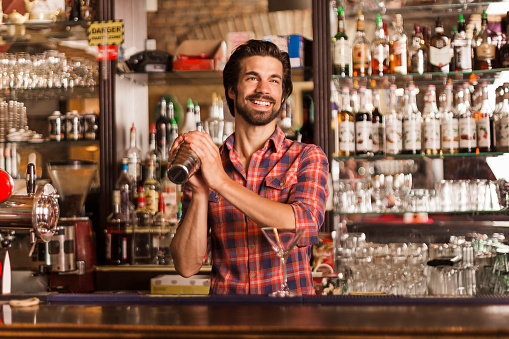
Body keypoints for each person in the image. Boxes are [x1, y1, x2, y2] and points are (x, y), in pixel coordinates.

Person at [169, 40, 329, 295]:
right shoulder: (209, 163)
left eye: (274, 81)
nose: (264, 89)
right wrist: (200, 191)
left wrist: (220, 182)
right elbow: (187, 266)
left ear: (283, 95)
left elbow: (306, 222)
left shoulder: (306, 157)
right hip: (227, 321)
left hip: (291, 321)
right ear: (232, 90)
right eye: (252, 78)